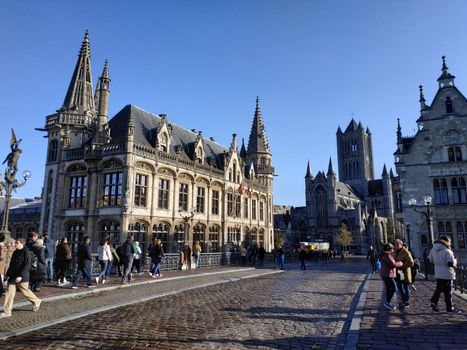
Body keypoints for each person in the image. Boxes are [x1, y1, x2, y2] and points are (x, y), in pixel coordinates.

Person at [1, 238, 41, 318]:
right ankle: (7, 311)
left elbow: (27, 266)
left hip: (22, 276)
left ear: (22, 243)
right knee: (9, 293)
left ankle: (36, 301)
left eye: (17, 242)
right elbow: (11, 264)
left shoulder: (27, 252)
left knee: (25, 291)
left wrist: (21, 276)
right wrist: (7, 275)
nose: (15, 244)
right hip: (13, 276)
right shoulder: (15, 252)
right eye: (15, 242)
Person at [428, 236, 461, 313]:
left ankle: (434, 301)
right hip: (447, 274)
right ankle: (449, 308)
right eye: (449, 241)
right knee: (448, 291)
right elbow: (450, 263)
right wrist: (455, 262)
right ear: (446, 242)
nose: (450, 243)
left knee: (439, 289)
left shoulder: (433, 249)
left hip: (438, 273)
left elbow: (430, 260)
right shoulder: (447, 251)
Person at [380, 243, 403, 310]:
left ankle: (388, 303)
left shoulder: (386, 255)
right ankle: (387, 302)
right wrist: (400, 263)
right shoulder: (387, 255)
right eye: (392, 248)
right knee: (394, 288)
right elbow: (392, 264)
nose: (393, 250)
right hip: (388, 274)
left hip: (385, 274)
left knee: (388, 289)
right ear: (390, 249)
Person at [393, 239, 414, 309]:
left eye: (397, 244)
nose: (395, 245)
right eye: (395, 244)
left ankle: (406, 301)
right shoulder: (395, 252)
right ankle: (403, 301)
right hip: (397, 272)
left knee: (405, 286)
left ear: (401, 244)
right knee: (399, 287)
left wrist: (401, 265)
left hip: (404, 272)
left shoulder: (405, 252)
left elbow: (411, 263)